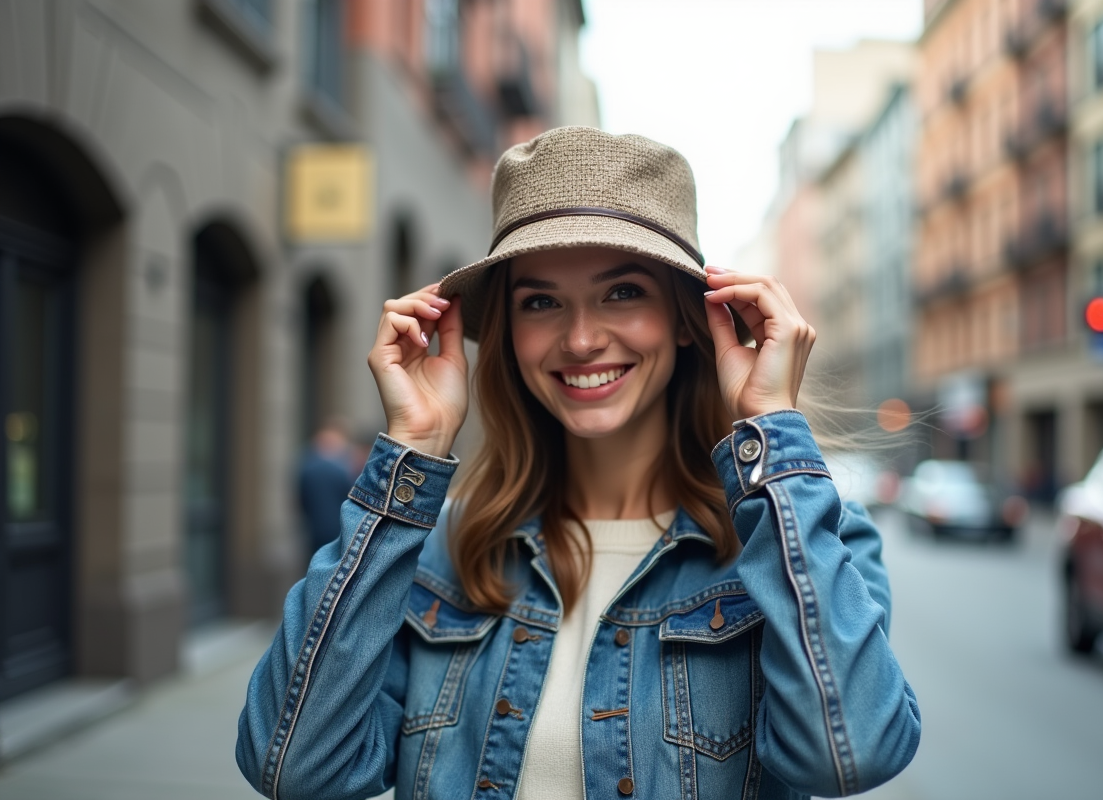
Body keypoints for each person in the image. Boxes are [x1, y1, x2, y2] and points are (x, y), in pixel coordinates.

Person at [237, 127, 920, 800]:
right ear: (509, 333)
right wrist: (412, 451)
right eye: (541, 302)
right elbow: (294, 767)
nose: (583, 338)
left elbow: (847, 755)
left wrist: (769, 424)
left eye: (623, 292)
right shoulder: (445, 551)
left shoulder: (799, 540)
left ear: (689, 319)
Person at [296, 418, 355, 558]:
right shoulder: (343, 468)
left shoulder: (307, 465)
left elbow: (301, 499)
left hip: (314, 527)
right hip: (339, 527)